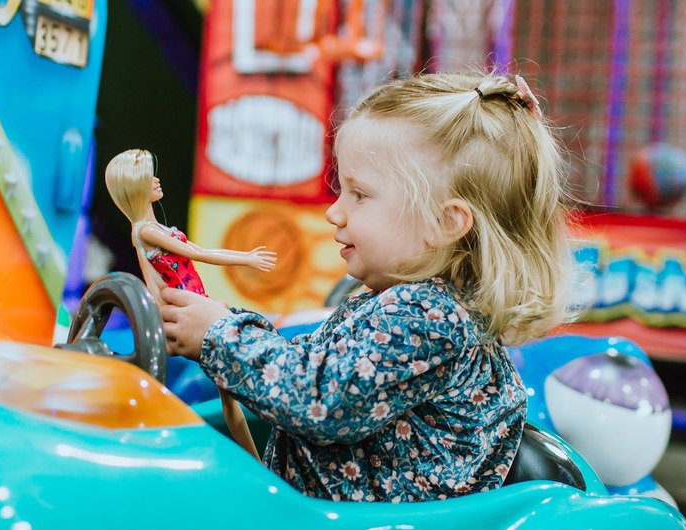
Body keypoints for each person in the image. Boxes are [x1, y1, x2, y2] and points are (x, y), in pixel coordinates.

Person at [161, 72, 574, 502]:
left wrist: (219, 338)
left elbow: (319, 401)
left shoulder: (429, 320)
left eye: (359, 195)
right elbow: (315, 364)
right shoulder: (408, 304)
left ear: (443, 223)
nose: (334, 213)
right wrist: (227, 324)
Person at [105, 148, 278, 457]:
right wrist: (246, 258)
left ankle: (257, 459)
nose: (157, 180)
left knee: (231, 396)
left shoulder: (151, 229)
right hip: (193, 310)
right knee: (230, 394)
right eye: (149, 176)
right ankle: (255, 460)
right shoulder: (145, 231)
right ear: (136, 187)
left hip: (197, 303)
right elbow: (198, 254)